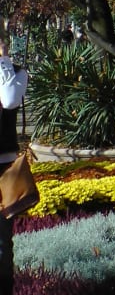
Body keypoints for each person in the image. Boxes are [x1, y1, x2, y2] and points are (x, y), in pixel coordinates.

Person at [0, 27, 27, 295]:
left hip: (4, 167)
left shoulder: (17, 73)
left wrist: (3, 62)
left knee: (1, 240)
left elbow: (8, 100)